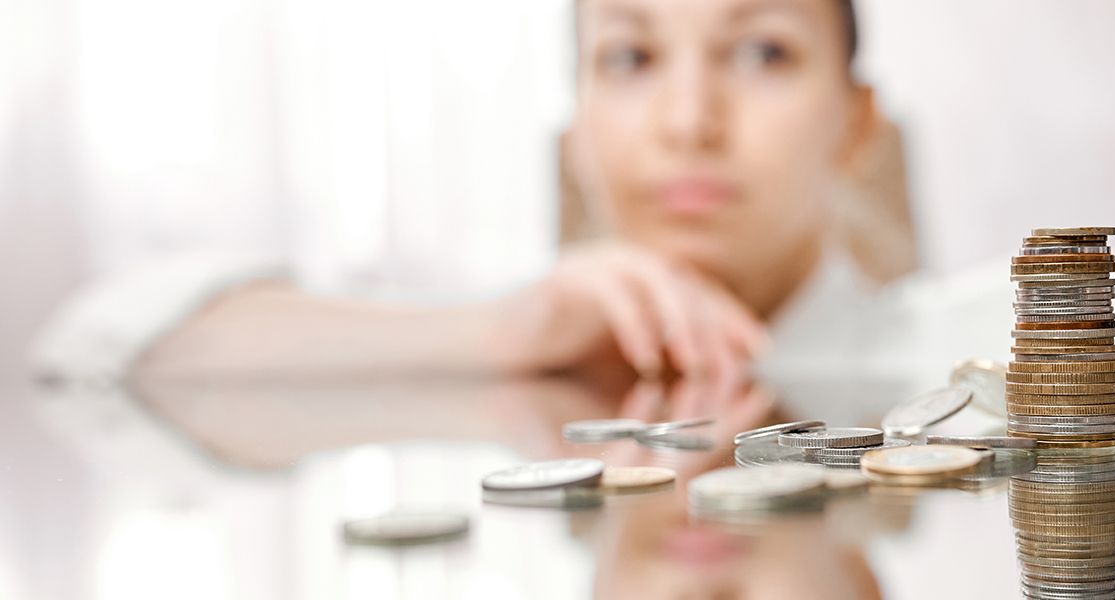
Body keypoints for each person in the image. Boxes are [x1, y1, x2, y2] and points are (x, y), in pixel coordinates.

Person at [35, 0, 901, 390]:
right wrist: (494, 333)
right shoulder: (514, 329)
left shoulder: (961, 350)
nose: (687, 121)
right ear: (576, 133)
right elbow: (92, 341)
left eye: (761, 52)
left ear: (858, 124)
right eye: (630, 57)